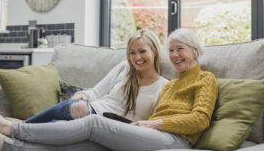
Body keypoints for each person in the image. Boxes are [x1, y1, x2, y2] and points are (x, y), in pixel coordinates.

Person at [0, 28, 218, 151]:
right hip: (152, 132)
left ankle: (12, 129)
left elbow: (200, 120)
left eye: (180, 50)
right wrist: (150, 124)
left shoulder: (205, 79)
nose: (175, 55)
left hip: (175, 139)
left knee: (92, 122)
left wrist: (155, 123)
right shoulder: (173, 84)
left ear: (195, 51)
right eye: (172, 50)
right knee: (83, 145)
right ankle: (4, 148)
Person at [22, 29, 168, 123]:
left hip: (114, 125)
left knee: (72, 114)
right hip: (95, 110)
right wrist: (84, 95)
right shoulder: (124, 67)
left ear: (154, 51)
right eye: (132, 53)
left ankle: (22, 125)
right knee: (60, 122)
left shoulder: (163, 86)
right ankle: (22, 127)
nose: (137, 58)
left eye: (142, 51)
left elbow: (155, 120)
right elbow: (96, 92)